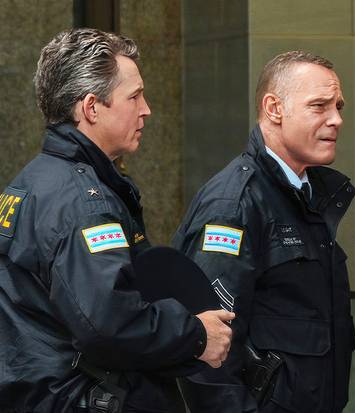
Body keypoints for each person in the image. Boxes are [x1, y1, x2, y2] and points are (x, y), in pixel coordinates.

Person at [0, 28, 233, 412]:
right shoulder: (84, 203)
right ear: (92, 108)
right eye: (135, 96)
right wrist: (196, 334)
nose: (147, 109)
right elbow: (108, 326)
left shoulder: (29, 182)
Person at [173, 50, 355, 413]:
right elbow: (208, 355)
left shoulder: (305, 196)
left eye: (338, 106)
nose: (336, 120)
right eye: (319, 106)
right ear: (274, 109)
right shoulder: (234, 205)